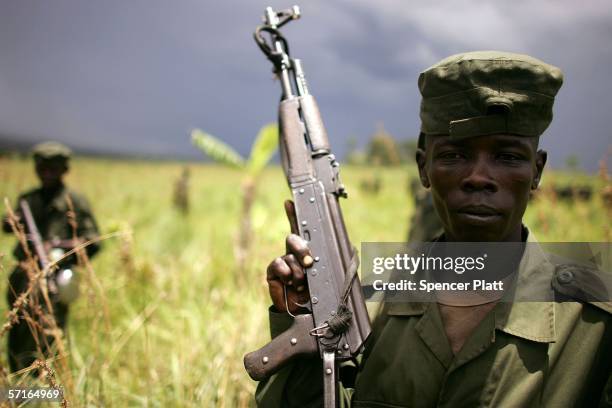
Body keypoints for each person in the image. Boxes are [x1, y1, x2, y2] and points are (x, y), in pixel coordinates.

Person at [255, 52, 612, 406]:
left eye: (508, 156)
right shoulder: (369, 310)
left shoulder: (593, 321)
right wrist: (306, 317)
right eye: (454, 156)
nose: (479, 177)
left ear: (537, 170)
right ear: (424, 168)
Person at [2, 141, 101, 373]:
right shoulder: (28, 200)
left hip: (55, 279)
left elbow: (92, 241)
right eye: (42, 168)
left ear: (64, 170)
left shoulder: (74, 201)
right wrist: (11, 223)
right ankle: (17, 386)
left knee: (48, 336)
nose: (46, 174)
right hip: (23, 276)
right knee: (17, 331)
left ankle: (43, 391)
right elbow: (10, 225)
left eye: (53, 169)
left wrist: (58, 248)